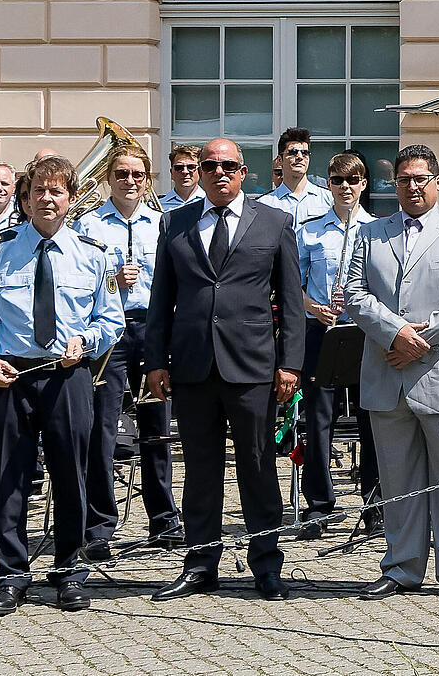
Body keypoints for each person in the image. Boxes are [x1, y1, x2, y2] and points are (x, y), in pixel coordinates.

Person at [142, 136, 307, 602]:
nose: (218, 172)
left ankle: (266, 566)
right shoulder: (175, 223)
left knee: (258, 467)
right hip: (192, 365)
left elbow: (291, 301)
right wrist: (155, 361)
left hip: (252, 365)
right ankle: (200, 564)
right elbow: (161, 299)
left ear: (244, 171)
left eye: (227, 165)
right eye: (209, 165)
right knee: (199, 471)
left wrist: (290, 363)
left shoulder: (274, 222)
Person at [0, 155, 126, 617]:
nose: (48, 199)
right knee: (11, 477)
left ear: (71, 199)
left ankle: (69, 571)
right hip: (10, 376)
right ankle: (11, 573)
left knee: (72, 474)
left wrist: (87, 340)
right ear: (26, 197)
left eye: (57, 191)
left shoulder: (94, 254)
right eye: (39, 191)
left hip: (67, 375)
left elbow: (110, 320)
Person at [342, 144, 439, 604]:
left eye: (420, 178)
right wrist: (395, 334)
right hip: (389, 375)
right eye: (403, 179)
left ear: (438, 182)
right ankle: (402, 566)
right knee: (398, 479)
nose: (411, 186)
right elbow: (353, 292)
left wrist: (417, 342)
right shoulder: (371, 233)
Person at [73, 145, 176, 549]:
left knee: (156, 427)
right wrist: (114, 279)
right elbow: (83, 283)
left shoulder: (162, 223)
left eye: (137, 175)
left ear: (147, 180)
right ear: (107, 179)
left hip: (152, 330)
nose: (129, 181)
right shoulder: (91, 225)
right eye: (121, 174)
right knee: (103, 427)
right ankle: (99, 526)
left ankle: (164, 519)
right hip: (110, 333)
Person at [292, 150, 379, 537]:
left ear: (363, 184)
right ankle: (320, 504)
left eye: (353, 180)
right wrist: (314, 306)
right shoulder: (309, 230)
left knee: (371, 418)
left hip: (362, 332)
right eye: (338, 181)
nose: (346, 188)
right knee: (318, 419)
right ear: (328, 183)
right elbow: (291, 284)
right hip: (320, 329)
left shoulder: (378, 229)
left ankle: (374, 503)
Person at [259, 126, 336, 230]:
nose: (300, 157)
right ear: (280, 160)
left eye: (305, 153)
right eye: (293, 152)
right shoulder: (265, 204)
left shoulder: (329, 199)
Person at [156, 143, 205, 214]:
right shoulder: (158, 205)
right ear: (171, 172)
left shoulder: (210, 202)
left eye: (191, 167)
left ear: (200, 171)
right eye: (179, 167)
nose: (185, 171)